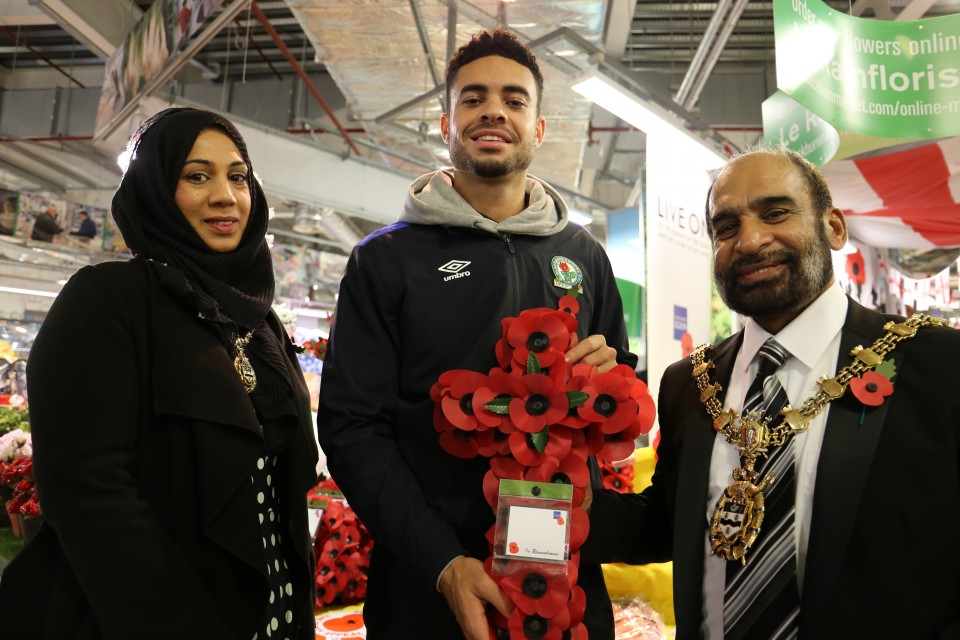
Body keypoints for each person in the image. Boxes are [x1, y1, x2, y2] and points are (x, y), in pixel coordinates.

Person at [316, 28, 636, 640]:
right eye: (474, 98)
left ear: (539, 130)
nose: (494, 110)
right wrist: (441, 563)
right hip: (426, 589)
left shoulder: (584, 257)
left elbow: (622, 411)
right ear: (446, 123)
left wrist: (610, 388)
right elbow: (352, 428)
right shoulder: (386, 260)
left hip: (563, 587)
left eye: (515, 100)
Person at [584, 145, 960, 639]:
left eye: (776, 213)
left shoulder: (936, 364)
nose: (749, 240)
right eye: (726, 227)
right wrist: (553, 476)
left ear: (835, 227)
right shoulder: (689, 383)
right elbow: (663, 526)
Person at [0, 107, 320, 640]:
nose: (226, 196)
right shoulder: (108, 300)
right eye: (197, 176)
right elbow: (89, 493)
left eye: (238, 177)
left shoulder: (260, 326)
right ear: (153, 190)